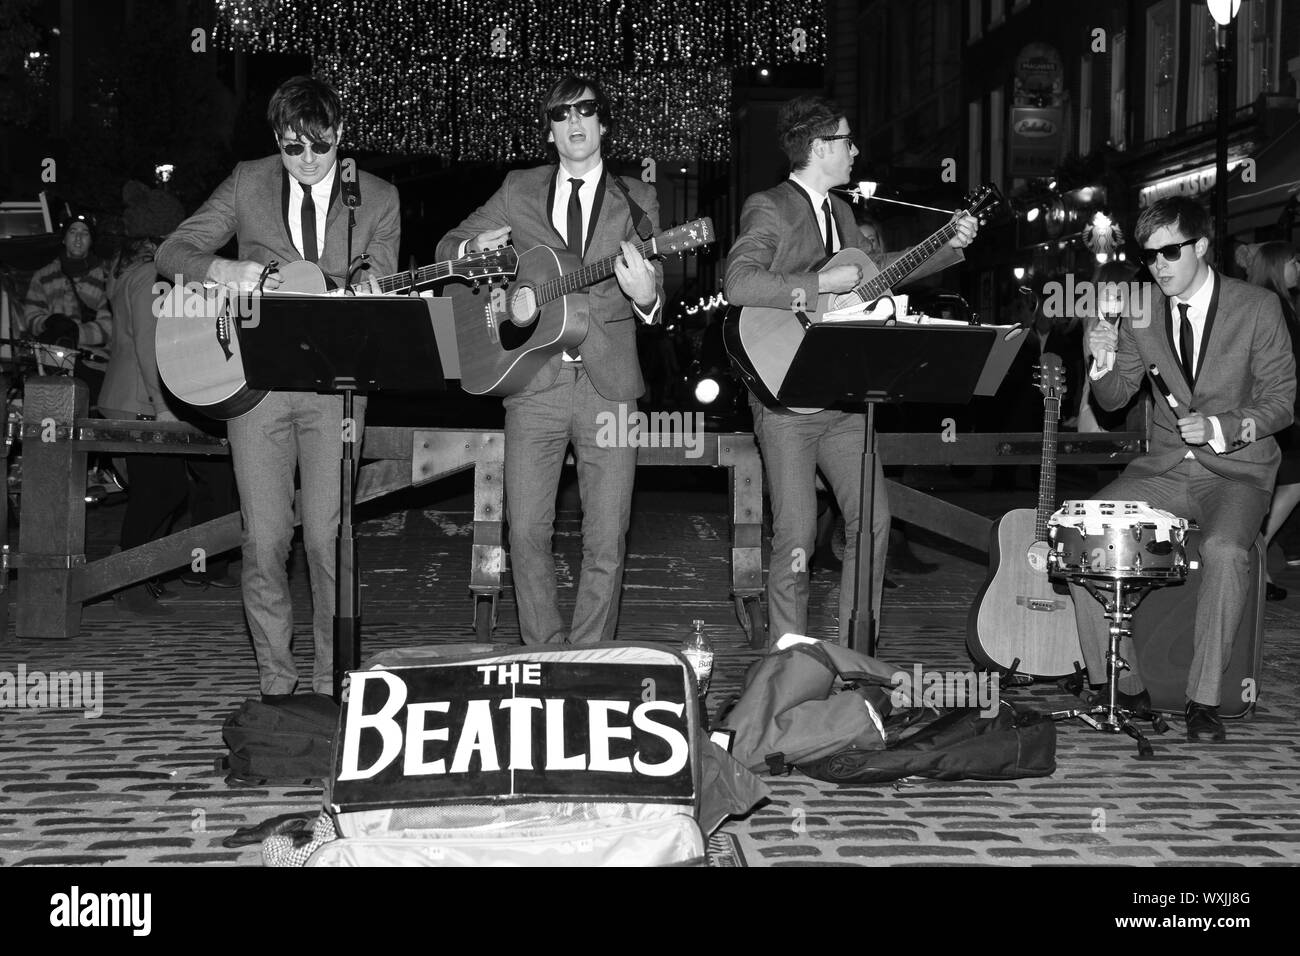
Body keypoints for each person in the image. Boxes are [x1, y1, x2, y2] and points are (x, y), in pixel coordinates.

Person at [156, 76, 400, 700]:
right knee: (264, 540)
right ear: (277, 140)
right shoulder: (247, 182)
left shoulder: (376, 198)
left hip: (334, 390)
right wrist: (224, 269)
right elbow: (172, 250)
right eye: (293, 148)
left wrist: (369, 291)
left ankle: (331, 683)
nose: (309, 161)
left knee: (327, 538)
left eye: (321, 147)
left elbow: (385, 276)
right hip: (252, 386)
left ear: (342, 136)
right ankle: (276, 683)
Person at [724, 94, 977, 646]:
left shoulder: (841, 212)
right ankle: (791, 656)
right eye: (847, 140)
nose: (856, 149)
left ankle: (857, 649)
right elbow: (738, 283)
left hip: (844, 396)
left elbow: (872, 276)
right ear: (818, 148)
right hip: (787, 397)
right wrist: (818, 286)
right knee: (795, 536)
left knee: (872, 522)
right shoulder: (769, 206)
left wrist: (945, 247)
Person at [436, 74, 664, 645]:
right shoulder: (519, 188)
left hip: (609, 384)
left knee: (607, 536)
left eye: (586, 111)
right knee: (527, 530)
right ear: (550, 130)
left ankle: (588, 659)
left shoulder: (638, 197)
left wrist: (647, 296)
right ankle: (542, 651)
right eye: (562, 115)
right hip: (532, 377)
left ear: (603, 123)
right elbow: (448, 245)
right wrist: (470, 250)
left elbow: (655, 281)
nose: (575, 122)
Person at [1078, 196, 1295, 742]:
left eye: (1170, 252)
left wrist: (1222, 425)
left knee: (1224, 551)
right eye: (1149, 257)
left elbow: (1281, 403)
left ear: (1201, 246)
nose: (1159, 266)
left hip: (1237, 473)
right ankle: (1123, 685)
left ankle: (1203, 700)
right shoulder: (1141, 307)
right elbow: (1114, 396)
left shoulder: (1258, 308)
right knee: (1078, 532)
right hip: (1166, 470)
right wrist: (1100, 361)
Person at [101, 183, 190, 616]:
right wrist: (164, 405)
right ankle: (127, 579)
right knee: (161, 491)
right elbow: (150, 345)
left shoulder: (124, 272)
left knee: (160, 490)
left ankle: (138, 573)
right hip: (140, 398)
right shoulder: (150, 277)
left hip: (122, 395)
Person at [1244, 241, 1300, 600]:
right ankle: (1254, 560)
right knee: (1289, 484)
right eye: (1295, 260)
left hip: (1275, 408)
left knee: (1282, 485)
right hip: (1277, 410)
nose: (1299, 265)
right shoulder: (1273, 304)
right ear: (1279, 265)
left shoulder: (1275, 302)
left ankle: (1255, 562)